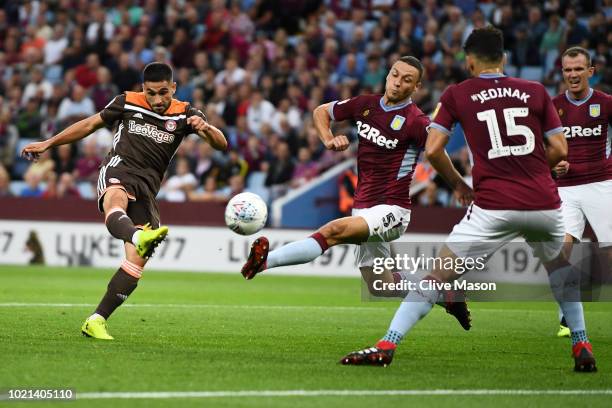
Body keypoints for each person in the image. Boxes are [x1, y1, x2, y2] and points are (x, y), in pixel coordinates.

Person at [340, 27, 596, 373]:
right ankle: (581, 342)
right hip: (544, 204)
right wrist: (533, 171)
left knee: (436, 278)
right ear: (503, 58)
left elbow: (432, 149)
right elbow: (560, 150)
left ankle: (386, 345)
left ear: (469, 61)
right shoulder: (536, 91)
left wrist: (460, 184)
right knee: (560, 270)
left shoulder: (458, 93)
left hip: (493, 205)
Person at [241, 56, 469, 319]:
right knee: (381, 285)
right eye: (395, 75)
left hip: (393, 209)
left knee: (332, 231)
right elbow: (321, 112)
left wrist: (458, 184)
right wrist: (327, 139)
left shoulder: (416, 121)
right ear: (387, 75)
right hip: (363, 208)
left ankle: (266, 262)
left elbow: (435, 152)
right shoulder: (366, 105)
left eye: (407, 80)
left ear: (416, 87)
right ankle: (445, 295)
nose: (397, 82)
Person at [22, 62, 227, 340]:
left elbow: (221, 144)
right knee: (115, 200)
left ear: (174, 88)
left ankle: (96, 320)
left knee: (135, 262)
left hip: (148, 187)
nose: (156, 100)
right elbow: (90, 124)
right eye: (151, 93)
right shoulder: (127, 102)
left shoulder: (186, 113)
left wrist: (206, 128)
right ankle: (135, 235)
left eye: (163, 93)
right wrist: (49, 143)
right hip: (120, 168)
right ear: (143, 89)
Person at [552, 46, 612, 338]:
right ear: (562, 72)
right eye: (567, 70)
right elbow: (543, 149)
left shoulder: (607, 103)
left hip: (603, 184)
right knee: (561, 250)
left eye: (578, 69)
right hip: (565, 190)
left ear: (591, 71)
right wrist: (554, 166)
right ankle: (567, 317)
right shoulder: (552, 107)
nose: (573, 75)